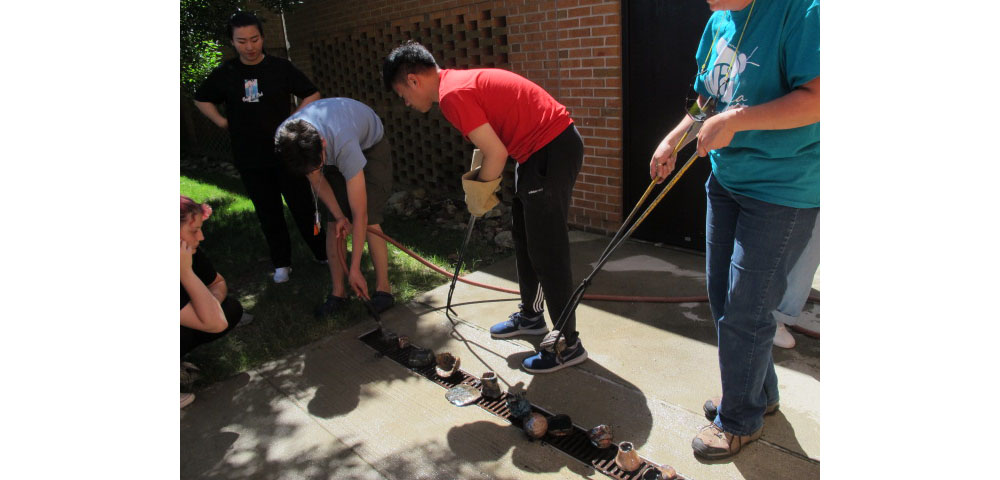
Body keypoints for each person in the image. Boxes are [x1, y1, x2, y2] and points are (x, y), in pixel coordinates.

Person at [649, 0, 819, 459]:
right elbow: (707, 100)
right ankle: (759, 393)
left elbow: (818, 98)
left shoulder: (802, 12)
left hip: (782, 187)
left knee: (747, 307)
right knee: (725, 299)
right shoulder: (718, 22)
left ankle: (740, 420)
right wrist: (674, 138)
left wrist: (736, 121)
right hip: (726, 181)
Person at [382, 41, 586, 374]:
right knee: (525, 239)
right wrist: (480, 184)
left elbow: (496, 154)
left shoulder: (452, 95)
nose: (405, 102)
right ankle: (532, 317)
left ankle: (568, 345)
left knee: (547, 251)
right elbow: (494, 141)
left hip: (550, 148)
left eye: (402, 94)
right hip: (535, 152)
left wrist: (478, 197)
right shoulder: (454, 86)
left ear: (413, 80)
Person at [193, 11, 326, 284]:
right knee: (268, 213)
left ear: (263, 38)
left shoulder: (280, 67)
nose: (249, 47)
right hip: (249, 157)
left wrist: (293, 120)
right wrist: (221, 121)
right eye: (242, 41)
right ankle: (282, 263)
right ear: (232, 42)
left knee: (303, 207)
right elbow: (201, 98)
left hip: (286, 154)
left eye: (254, 39)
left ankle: (323, 253)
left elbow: (312, 93)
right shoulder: (227, 73)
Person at [274, 98, 395, 316]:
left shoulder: (343, 142)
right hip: (328, 148)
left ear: (322, 144)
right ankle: (338, 293)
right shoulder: (288, 140)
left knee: (370, 219)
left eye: (318, 164)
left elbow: (360, 213)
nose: (315, 171)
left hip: (370, 147)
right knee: (333, 222)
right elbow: (314, 177)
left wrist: (355, 268)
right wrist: (339, 216)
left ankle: (383, 290)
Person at [180, 196, 244, 409]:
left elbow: (217, 282)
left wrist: (210, 303)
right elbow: (215, 323)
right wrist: (185, 272)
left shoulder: (187, 249)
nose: (201, 237)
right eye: (194, 230)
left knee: (230, 309)